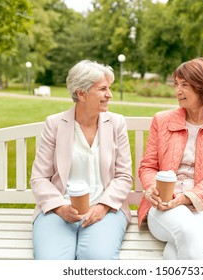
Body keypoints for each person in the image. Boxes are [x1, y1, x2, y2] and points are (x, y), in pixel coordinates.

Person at [137, 57, 203, 259]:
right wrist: (152, 190)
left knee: (174, 253)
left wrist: (187, 199)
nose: (178, 91)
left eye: (185, 85)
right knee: (189, 233)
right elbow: (148, 167)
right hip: (164, 205)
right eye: (177, 84)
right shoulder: (162, 120)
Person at [30, 60, 133, 260]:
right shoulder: (55, 124)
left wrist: (102, 206)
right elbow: (39, 178)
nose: (109, 95)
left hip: (106, 208)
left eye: (109, 88)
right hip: (58, 209)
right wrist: (60, 208)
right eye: (102, 89)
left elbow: (124, 176)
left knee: (97, 258)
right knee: (51, 261)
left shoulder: (116, 123)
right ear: (81, 93)